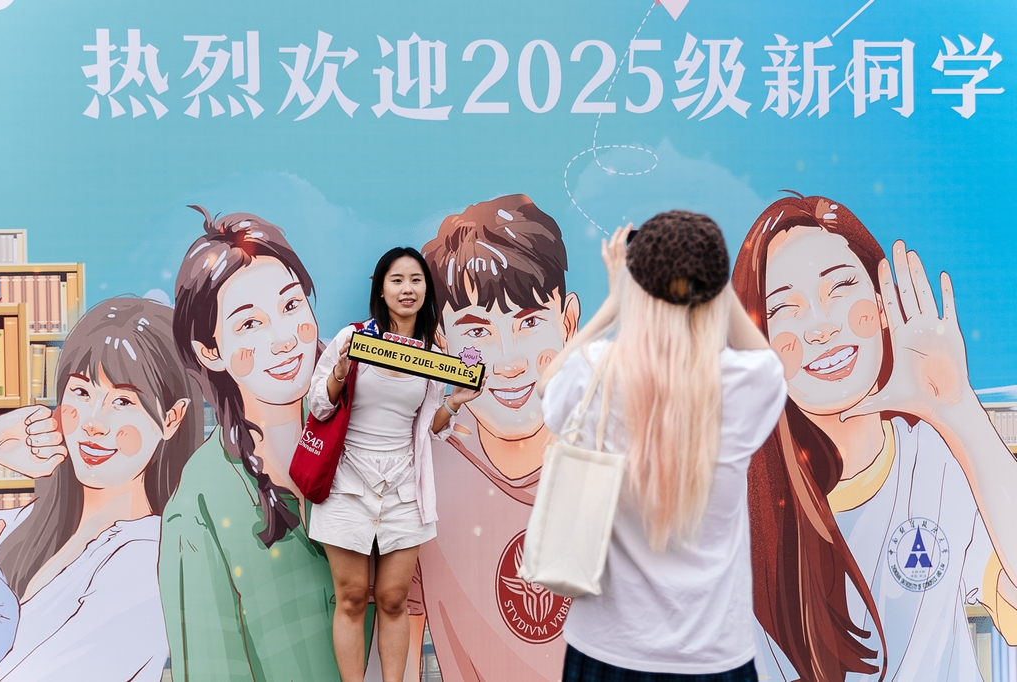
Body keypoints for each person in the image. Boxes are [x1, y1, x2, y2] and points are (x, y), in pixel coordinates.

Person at [734, 193, 1017, 681]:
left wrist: (958, 407)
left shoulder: (941, 459)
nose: (820, 327)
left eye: (841, 288)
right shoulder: (739, 507)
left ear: (885, 307)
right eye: (784, 310)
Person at [539, 212, 787, 681]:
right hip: (716, 657)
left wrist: (614, 304)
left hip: (607, 651)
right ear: (715, 290)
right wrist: (712, 275)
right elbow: (765, 359)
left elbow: (546, 386)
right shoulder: (747, 383)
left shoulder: (596, 372)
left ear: (637, 286)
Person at [161, 207, 346, 681]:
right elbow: (210, 667)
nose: (283, 340)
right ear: (210, 351)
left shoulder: (362, 430)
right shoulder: (199, 504)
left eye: (291, 306)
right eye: (249, 324)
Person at [0, 297, 203, 680]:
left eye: (123, 400)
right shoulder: (22, 523)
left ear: (172, 419)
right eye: (81, 393)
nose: (94, 423)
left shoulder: (147, 561)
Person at [415, 195, 580, 681]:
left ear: (568, 323)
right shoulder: (422, 476)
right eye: (477, 332)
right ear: (441, 343)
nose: (508, 361)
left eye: (529, 322)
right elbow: (399, 630)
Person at [307, 246, 483, 682]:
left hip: (403, 488)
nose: (407, 289)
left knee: (392, 598)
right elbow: (318, 406)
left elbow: (431, 428)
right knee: (351, 597)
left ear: (426, 291)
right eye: (397, 280)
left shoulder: (432, 355)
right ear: (381, 291)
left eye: (416, 280)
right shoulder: (351, 339)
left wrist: (456, 402)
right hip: (347, 484)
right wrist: (340, 372)